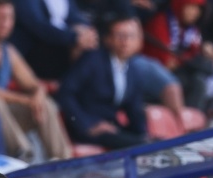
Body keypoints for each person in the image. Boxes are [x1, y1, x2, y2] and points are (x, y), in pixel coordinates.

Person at [0, 0, 73, 161]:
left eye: (8, 18)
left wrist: (38, 96)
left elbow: (33, 83)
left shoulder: (8, 50)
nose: (4, 23)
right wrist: (26, 100)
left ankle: (62, 160)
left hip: (5, 117)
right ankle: (23, 154)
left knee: (46, 104)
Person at [58, 15, 148, 149]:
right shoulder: (92, 60)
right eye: (120, 35)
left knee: (154, 144)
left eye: (131, 36)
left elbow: (134, 110)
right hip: (88, 129)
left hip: (112, 128)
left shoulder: (133, 69)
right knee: (139, 145)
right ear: (108, 39)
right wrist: (86, 124)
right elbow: (65, 92)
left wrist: (144, 135)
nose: (126, 41)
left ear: (139, 40)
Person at [9, 0, 99, 81]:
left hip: (61, 40)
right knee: (79, 48)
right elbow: (39, 26)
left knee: (91, 46)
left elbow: (74, 16)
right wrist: (74, 37)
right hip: (34, 48)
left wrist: (88, 32)